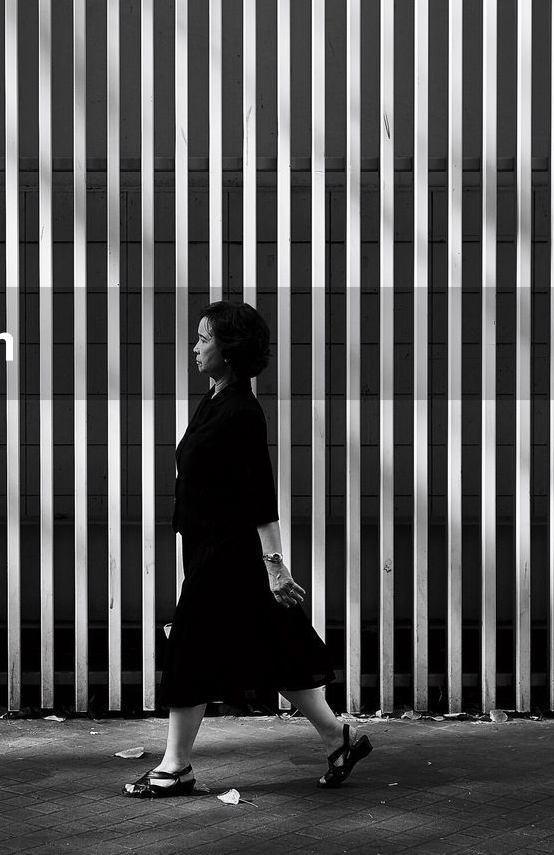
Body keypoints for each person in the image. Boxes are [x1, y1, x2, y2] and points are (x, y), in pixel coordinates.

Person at [125, 300, 373, 797]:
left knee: (190, 651)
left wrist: (275, 566)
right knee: (275, 647)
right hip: (208, 550)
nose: (195, 348)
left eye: (203, 339)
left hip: (229, 555)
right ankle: (338, 738)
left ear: (229, 349)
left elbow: (260, 496)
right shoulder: (216, 400)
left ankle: (175, 767)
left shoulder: (240, 411)